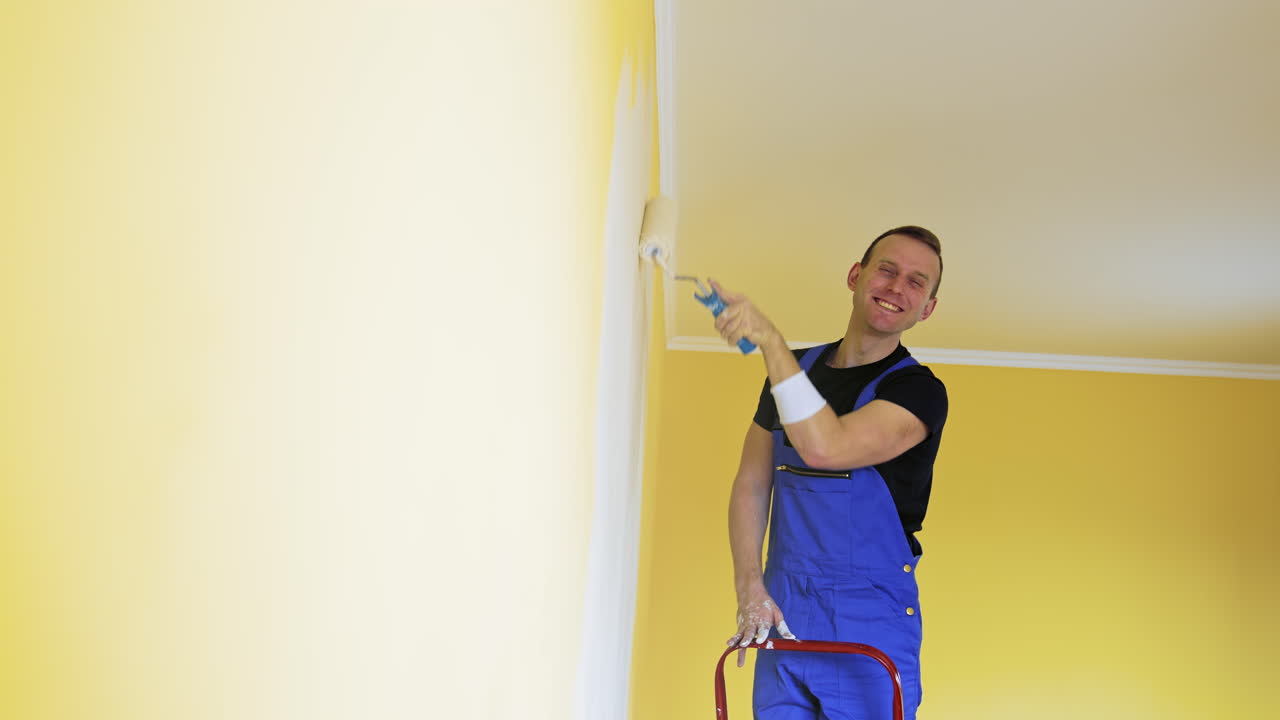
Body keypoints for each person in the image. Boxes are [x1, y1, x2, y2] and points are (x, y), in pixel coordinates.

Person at [712, 226, 948, 720]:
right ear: (856, 275)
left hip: (868, 621)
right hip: (784, 614)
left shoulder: (918, 392)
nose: (895, 286)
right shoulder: (795, 370)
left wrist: (770, 343)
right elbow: (752, 485)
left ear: (926, 307)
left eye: (916, 282)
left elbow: (826, 448)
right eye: (886, 269)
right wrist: (750, 590)